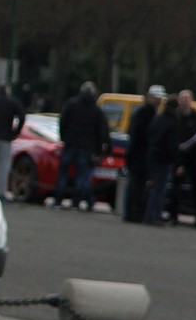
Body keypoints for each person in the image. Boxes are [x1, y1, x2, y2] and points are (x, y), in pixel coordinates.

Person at [51, 80, 111, 211]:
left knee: (63, 174)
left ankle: (58, 200)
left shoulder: (71, 104)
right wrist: (100, 150)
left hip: (70, 143)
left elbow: (63, 121)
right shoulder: (96, 110)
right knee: (82, 176)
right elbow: (101, 131)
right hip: (86, 146)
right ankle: (76, 203)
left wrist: (63, 138)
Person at [122, 84, 164, 224]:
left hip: (137, 155)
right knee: (137, 186)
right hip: (140, 156)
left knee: (135, 185)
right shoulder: (147, 115)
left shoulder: (141, 113)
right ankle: (134, 212)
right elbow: (141, 137)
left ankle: (132, 212)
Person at [173, 89, 196, 225]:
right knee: (176, 187)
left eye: (187, 98)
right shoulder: (176, 116)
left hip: (195, 156)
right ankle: (173, 214)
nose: (184, 101)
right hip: (180, 157)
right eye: (182, 99)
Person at [144, 95, 182, 224]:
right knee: (160, 188)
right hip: (164, 159)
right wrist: (177, 161)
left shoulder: (158, 119)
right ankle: (155, 215)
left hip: (153, 155)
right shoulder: (174, 122)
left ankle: (149, 213)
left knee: (154, 187)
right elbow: (173, 144)